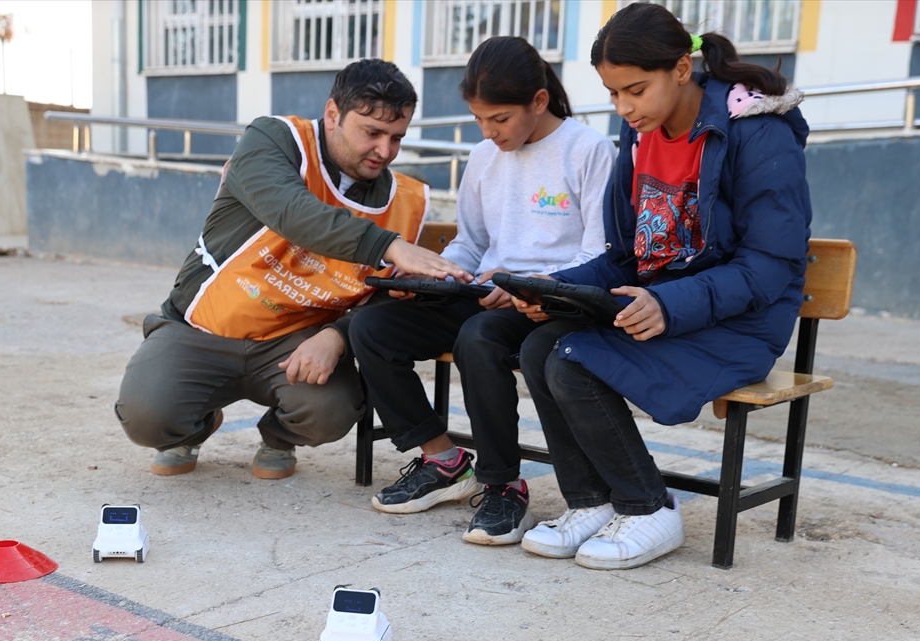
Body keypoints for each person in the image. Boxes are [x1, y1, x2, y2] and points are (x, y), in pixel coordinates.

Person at [514, 2, 812, 569]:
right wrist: (552, 286)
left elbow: (771, 265)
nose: (625, 108)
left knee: (572, 359)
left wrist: (670, 303)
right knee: (539, 344)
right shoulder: (639, 137)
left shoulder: (756, 133)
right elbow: (626, 256)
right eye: (613, 95)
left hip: (739, 321)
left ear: (681, 68)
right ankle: (593, 501)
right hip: (671, 305)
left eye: (635, 90)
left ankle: (649, 505)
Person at [115, 59, 469, 480]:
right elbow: (292, 212)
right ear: (333, 114)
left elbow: (383, 293)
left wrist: (337, 336)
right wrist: (388, 245)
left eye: (397, 138)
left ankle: (278, 438)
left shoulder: (405, 199)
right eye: (372, 133)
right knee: (146, 417)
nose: (385, 151)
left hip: (296, 341)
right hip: (202, 326)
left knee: (333, 411)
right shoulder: (272, 139)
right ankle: (195, 425)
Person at [349, 37, 616, 545]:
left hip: (551, 303)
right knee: (374, 326)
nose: (489, 133)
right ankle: (444, 460)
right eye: (480, 121)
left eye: (500, 119)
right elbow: (472, 244)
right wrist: (436, 276)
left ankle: (502, 484)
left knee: (480, 337)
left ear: (539, 102)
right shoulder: (484, 157)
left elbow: (596, 253)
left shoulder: (589, 150)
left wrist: (527, 285)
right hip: (486, 296)